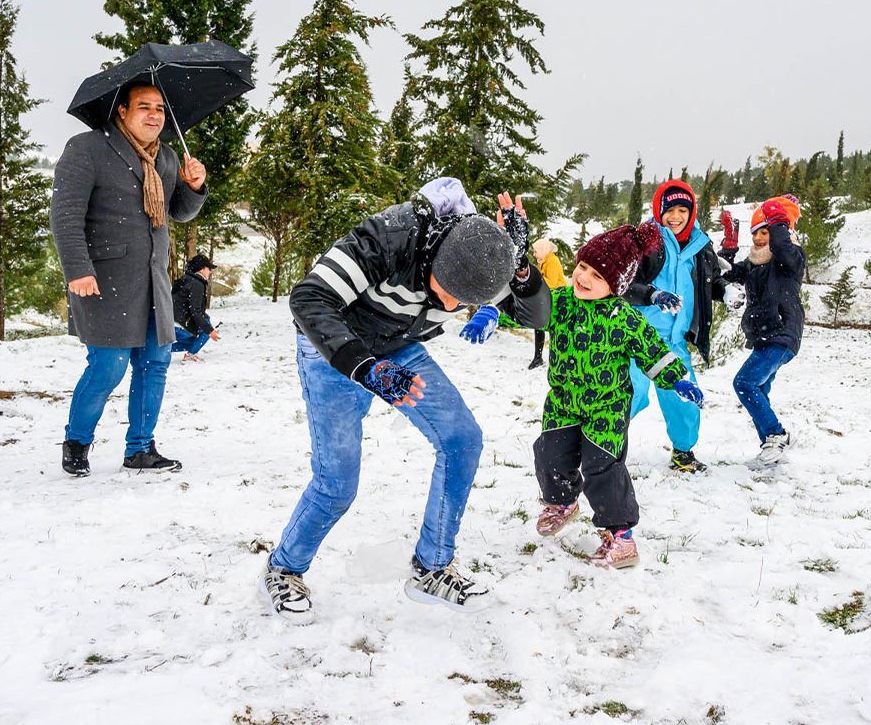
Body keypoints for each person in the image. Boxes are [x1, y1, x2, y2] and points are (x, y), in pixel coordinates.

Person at [263, 178, 550, 622]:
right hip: (334, 347)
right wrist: (364, 367)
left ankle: (432, 567)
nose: (453, 304)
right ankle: (284, 568)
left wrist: (519, 267)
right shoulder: (388, 237)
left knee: (462, 440)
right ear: (434, 256)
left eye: (465, 302)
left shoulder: (478, 257)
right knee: (337, 482)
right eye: (446, 290)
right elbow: (308, 297)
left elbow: (538, 316)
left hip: (398, 343)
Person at [50, 82, 208, 476]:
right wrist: (78, 269)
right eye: (144, 107)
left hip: (154, 280)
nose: (154, 115)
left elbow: (179, 213)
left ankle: (140, 448)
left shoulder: (167, 158)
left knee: (154, 364)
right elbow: (65, 214)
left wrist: (194, 187)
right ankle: (77, 442)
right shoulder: (87, 149)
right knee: (109, 367)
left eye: (159, 108)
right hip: (103, 280)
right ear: (122, 110)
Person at [533, 222, 702, 569]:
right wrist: (494, 313)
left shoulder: (624, 317)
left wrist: (677, 380)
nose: (582, 277)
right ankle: (562, 502)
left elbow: (653, 351)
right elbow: (529, 309)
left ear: (616, 285)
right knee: (549, 454)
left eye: (596, 275)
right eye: (581, 267)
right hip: (563, 403)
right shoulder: (562, 302)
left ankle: (621, 537)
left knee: (603, 469)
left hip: (606, 409)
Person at [622, 179, 726, 473]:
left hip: (675, 341)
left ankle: (683, 453)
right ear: (659, 210)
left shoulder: (700, 246)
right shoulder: (645, 240)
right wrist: (652, 295)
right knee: (628, 395)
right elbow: (623, 284)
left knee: (684, 398)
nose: (676, 216)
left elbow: (710, 281)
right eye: (670, 210)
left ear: (691, 212)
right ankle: (602, 447)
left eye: (683, 209)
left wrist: (725, 290)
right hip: (638, 337)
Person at [719, 197, 805, 469]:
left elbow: (781, 244)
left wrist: (778, 217)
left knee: (744, 383)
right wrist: (729, 246)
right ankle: (772, 449)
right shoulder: (754, 262)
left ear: (782, 231)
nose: (758, 238)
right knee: (760, 390)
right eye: (755, 232)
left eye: (765, 232)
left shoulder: (791, 258)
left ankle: (775, 436)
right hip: (764, 337)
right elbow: (728, 273)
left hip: (781, 334)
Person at [172, 252, 221, 362]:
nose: (210, 271)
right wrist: (210, 330)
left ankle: (160, 350)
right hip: (179, 324)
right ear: (202, 269)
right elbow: (195, 310)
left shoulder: (186, 279)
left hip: (172, 321)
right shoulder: (197, 284)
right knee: (203, 332)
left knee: (195, 339)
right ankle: (189, 353)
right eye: (209, 268)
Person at [528, 238, 567, 369]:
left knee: (553, 329)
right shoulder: (543, 261)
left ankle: (559, 359)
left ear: (543, 250)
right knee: (539, 325)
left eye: (536, 251)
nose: (534, 254)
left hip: (558, 298)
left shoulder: (553, 262)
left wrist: (536, 277)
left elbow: (551, 283)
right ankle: (538, 357)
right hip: (547, 296)